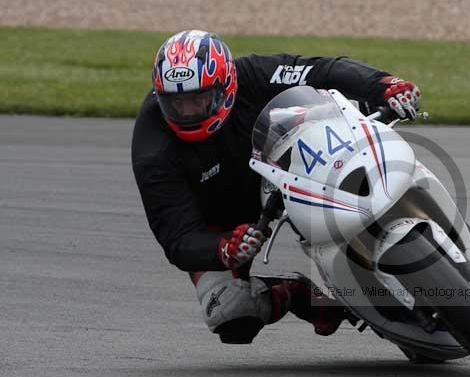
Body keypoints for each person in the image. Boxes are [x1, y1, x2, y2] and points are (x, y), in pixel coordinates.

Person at [131, 30, 421, 344]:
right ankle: (302, 296)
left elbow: (319, 70)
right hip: (224, 222)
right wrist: (223, 248)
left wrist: (383, 85)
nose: (187, 113)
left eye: (198, 99)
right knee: (228, 313)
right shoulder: (153, 152)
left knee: (358, 145)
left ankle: (413, 205)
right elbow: (177, 239)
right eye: (176, 103)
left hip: (282, 168)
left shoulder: (251, 72)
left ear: (227, 85)